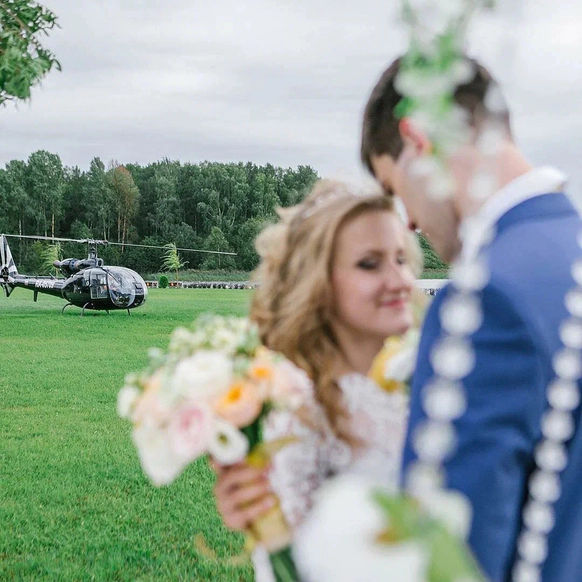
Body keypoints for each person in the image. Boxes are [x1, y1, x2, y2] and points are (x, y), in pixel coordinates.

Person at [359, 57, 582, 581]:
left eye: (396, 190)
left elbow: (454, 561)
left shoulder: (486, 298)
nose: (410, 221)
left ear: (418, 139)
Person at [212, 179, 422, 581]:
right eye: (370, 264)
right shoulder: (301, 413)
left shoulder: (428, 374)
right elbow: (289, 561)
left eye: (401, 259)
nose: (400, 280)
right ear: (318, 282)